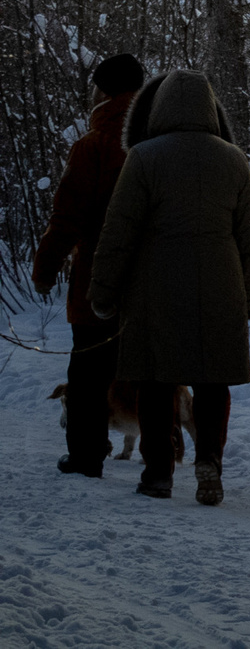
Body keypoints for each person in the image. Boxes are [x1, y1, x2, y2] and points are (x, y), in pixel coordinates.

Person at [89, 69, 250, 505]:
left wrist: (103, 292)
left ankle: (158, 474)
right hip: (220, 283)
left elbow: (118, 231)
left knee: (155, 381)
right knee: (212, 381)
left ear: (159, 110)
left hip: (156, 286)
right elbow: (249, 238)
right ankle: (209, 462)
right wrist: (245, 295)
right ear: (211, 110)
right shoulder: (234, 159)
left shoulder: (144, 157)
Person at [32, 53, 149, 477]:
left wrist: (45, 267)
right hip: (150, 281)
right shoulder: (157, 143)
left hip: (97, 279)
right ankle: (159, 461)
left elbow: (68, 216)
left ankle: (86, 454)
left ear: (103, 92)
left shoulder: (93, 145)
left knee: (88, 370)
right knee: (147, 369)